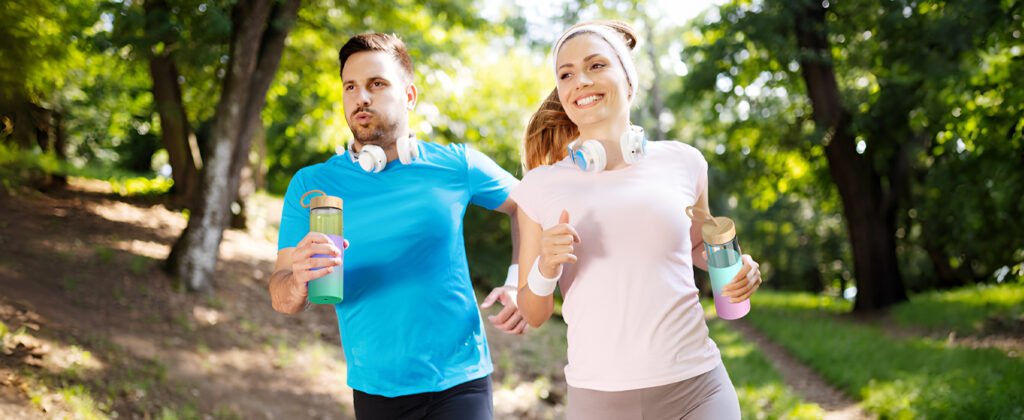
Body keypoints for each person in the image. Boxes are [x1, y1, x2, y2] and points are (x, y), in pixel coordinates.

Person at [512, 20, 763, 419]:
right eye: (566, 74)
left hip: (698, 389)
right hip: (599, 401)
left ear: (628, 81)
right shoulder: (540, 186)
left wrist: (739, 267)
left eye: (596, 65)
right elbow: (533, 312)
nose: (580, 81)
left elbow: (700, 244)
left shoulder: (684, 162)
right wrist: (545, 267)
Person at [268, 33, 527, 419]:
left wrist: (520, 280)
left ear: (409, 96)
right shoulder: (312, 186)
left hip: (460, 381)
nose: (361, 97)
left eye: (377, 84)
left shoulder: (456, 165)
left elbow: (528, 205)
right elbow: (281, 297)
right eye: (350, 87)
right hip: (375, 390)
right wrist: (298, 281)